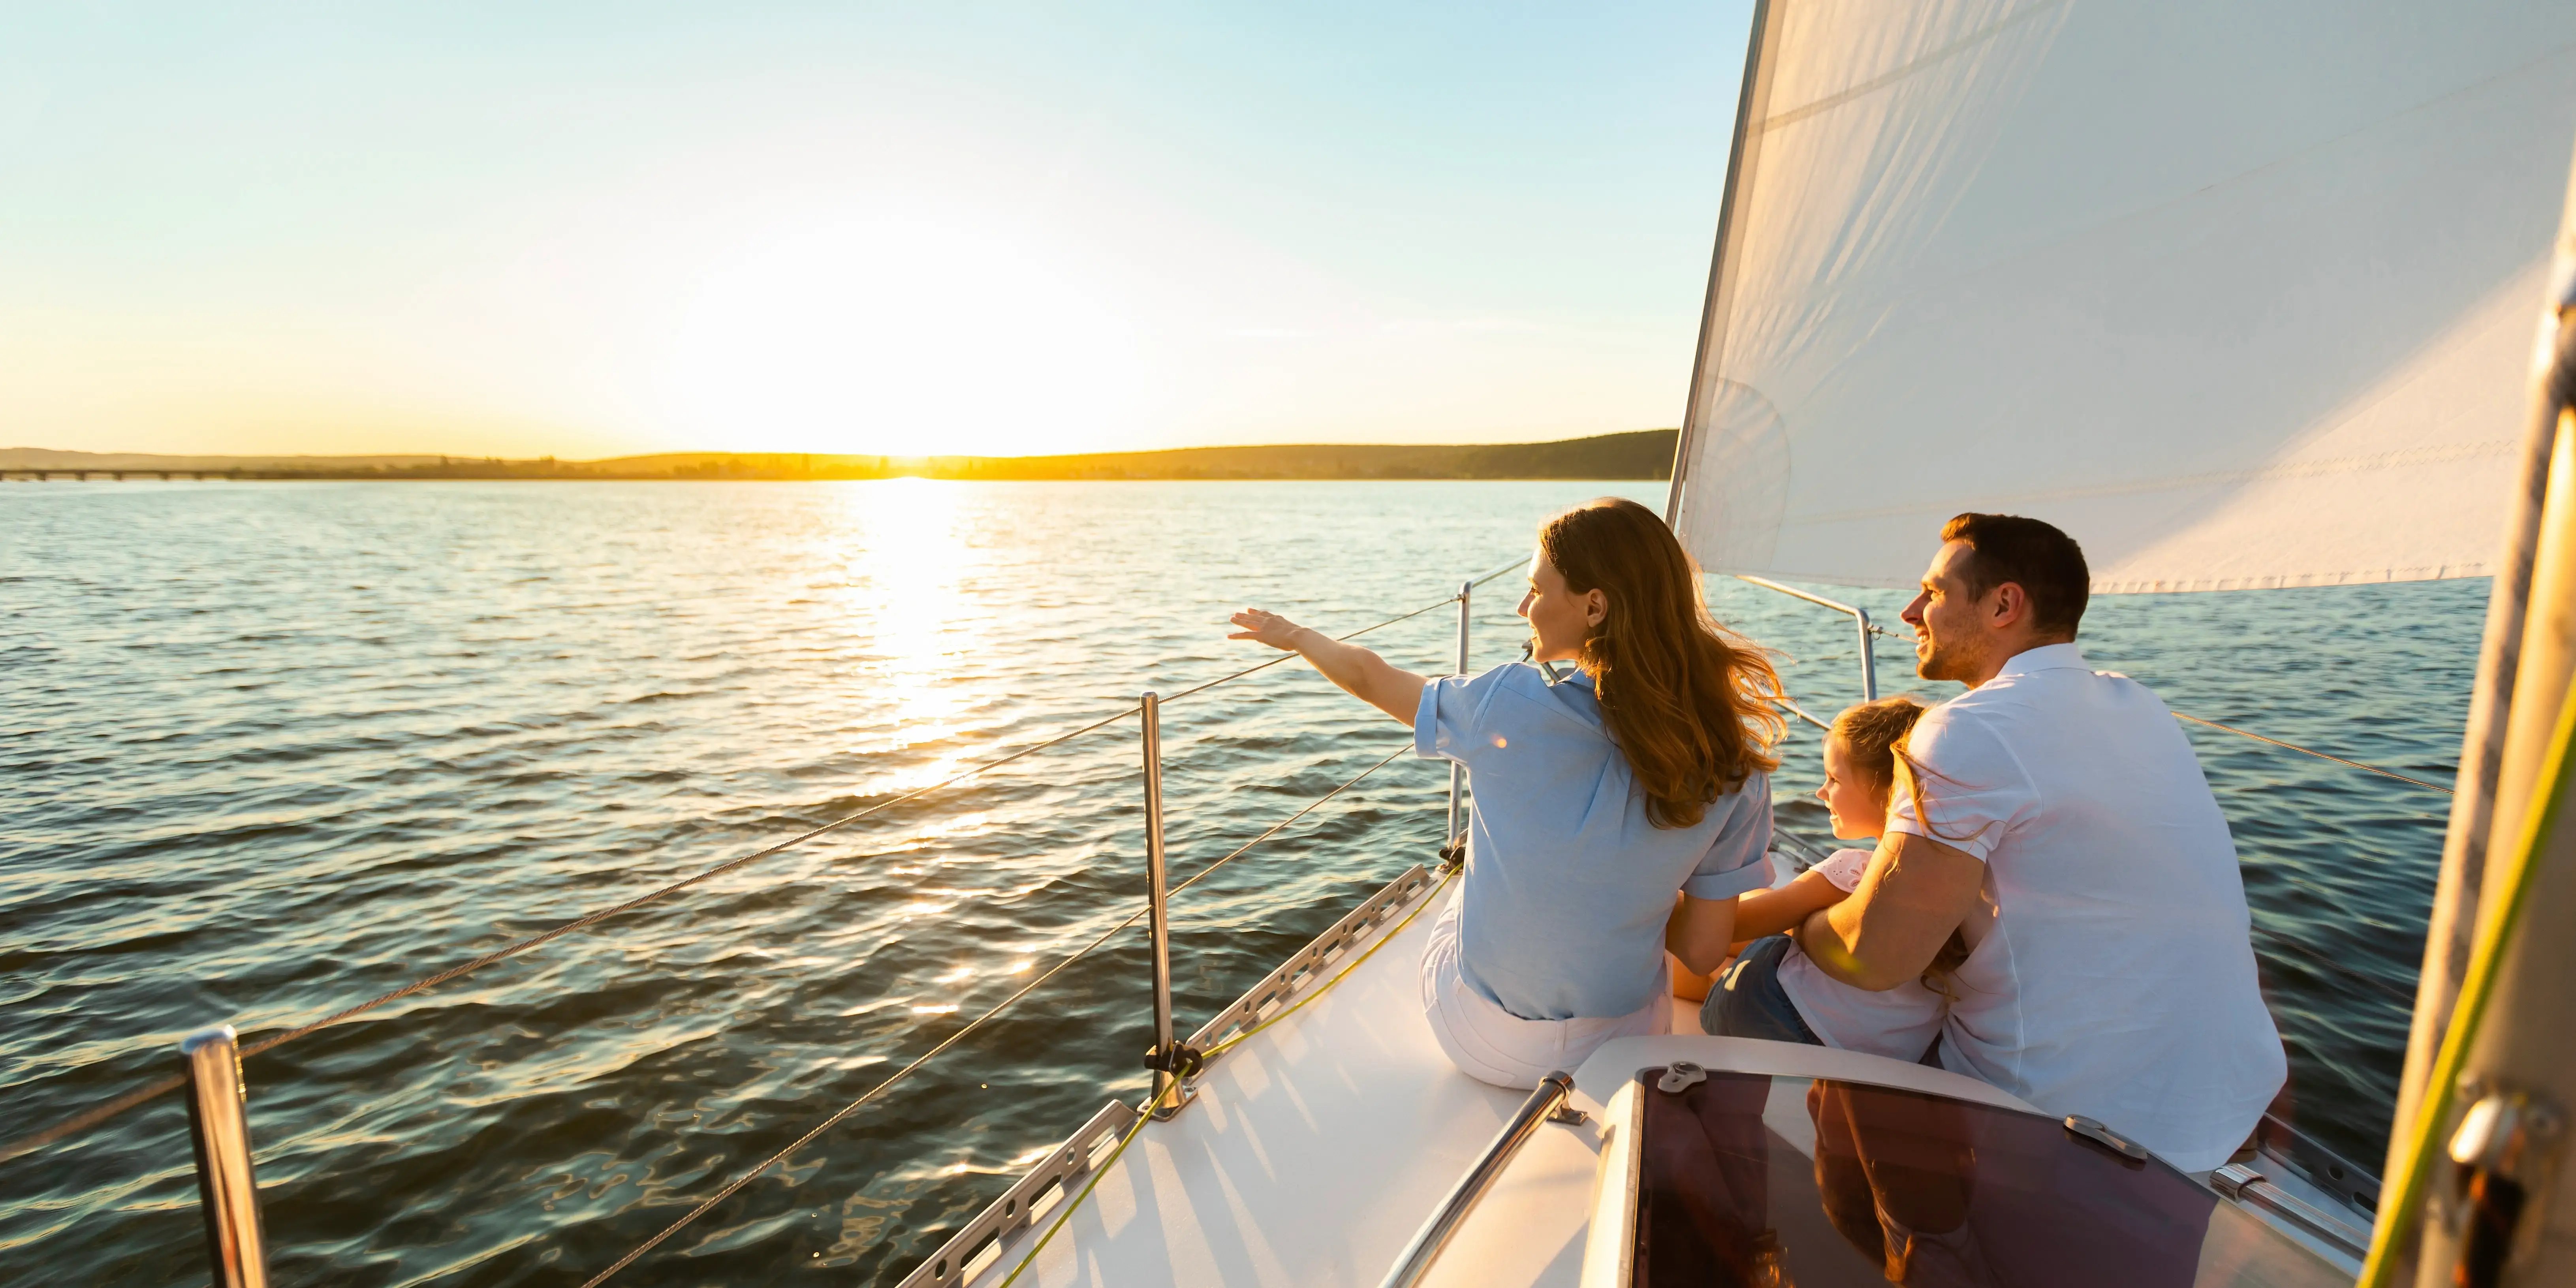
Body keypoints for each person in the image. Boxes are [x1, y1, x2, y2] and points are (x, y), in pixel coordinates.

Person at [1780, 513, 2285, 1173]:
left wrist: (1796, 925)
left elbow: (1876, 956)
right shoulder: (2140, 706)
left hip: (2059, 1114)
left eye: (1932, 592)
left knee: (1760, 991)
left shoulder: (1965, 729)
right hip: (2222, 1103)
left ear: (2003, 604)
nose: (1908, 612)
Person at [1226, 497, 1783, 1088]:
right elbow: (1701, 953)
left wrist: (1295, 635)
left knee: (1466, 878)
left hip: (1480, 1039)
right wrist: (1627, 894)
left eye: (1537, 591)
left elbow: (1370, 677)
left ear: (1595, 606)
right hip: (1620, 1050)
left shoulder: (1503, 703)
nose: (1522, 608)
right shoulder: (1734, 767)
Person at [1690, 697, 1959, 1063]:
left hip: (1776, 1019)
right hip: (1889, 1055)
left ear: (1888, 793)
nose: (1821, 792)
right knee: (1773, 923)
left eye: (1833, 779)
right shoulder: (1961, 884)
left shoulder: (1850, 872)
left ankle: (1711, 983)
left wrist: (1669, 894)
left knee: (1741, 951)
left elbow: (1730, 926)